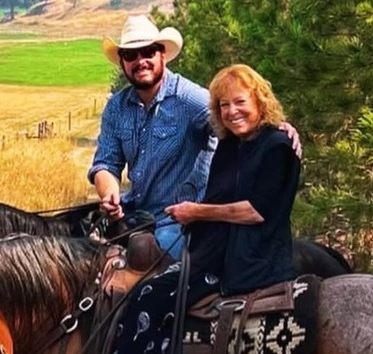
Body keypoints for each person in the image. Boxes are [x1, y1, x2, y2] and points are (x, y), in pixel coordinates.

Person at [74, 64, 302, 354]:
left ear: (260, 101)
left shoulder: (278, 147)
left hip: (247, 260)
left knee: (150, 296)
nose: (232, 112)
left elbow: (256, 210)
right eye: (224, 105)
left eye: (240, 102)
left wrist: (195, 212)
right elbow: (107, 161)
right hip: (212, 247)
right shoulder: (229, 146)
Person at [89, 15, 301, 258]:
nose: (141, 61)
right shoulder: (117, 107)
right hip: (134, 212)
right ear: (122, 62)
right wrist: (109, 194)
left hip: (180, 221)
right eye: (131, 55)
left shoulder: (190, 99)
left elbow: (236, 122)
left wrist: (275, 127)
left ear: (163, 55)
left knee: (155, 277)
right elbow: (106, 163)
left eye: (148, 52)